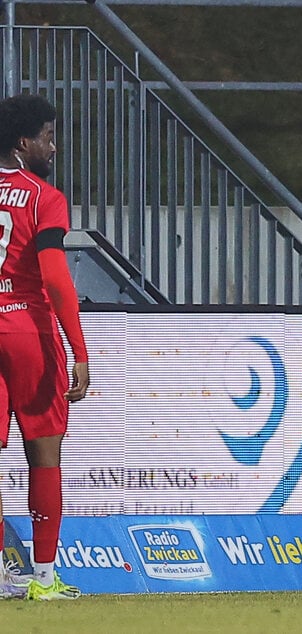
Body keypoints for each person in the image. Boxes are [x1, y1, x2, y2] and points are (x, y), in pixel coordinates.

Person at [0, 93, 88, 600]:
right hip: (28, 332)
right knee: (45, 457)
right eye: (48, 137)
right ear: (22, 143)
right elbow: (55, 278)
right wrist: (79, 349)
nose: (53, 147)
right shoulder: (42, 196)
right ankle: (45, 578)